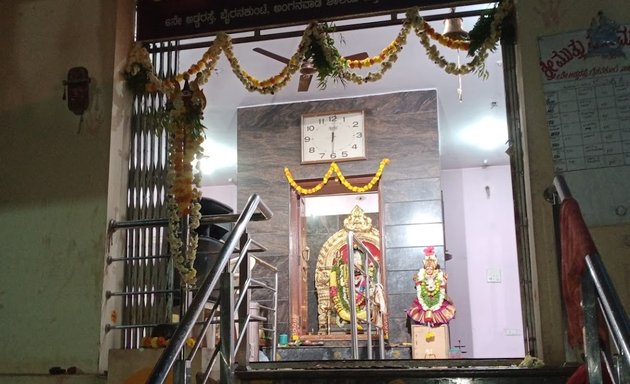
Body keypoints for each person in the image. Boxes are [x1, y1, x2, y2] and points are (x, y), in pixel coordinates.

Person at [407, 246, 456, 326]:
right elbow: (420, 292)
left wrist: (442, 284)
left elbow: (441, 291)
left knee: (439, 323)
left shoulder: (439, 277)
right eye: (427, 269)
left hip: (438, 302)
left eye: (431, 269)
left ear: (434, 269)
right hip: (423, 302)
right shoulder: (421, 277)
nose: (429, 270)